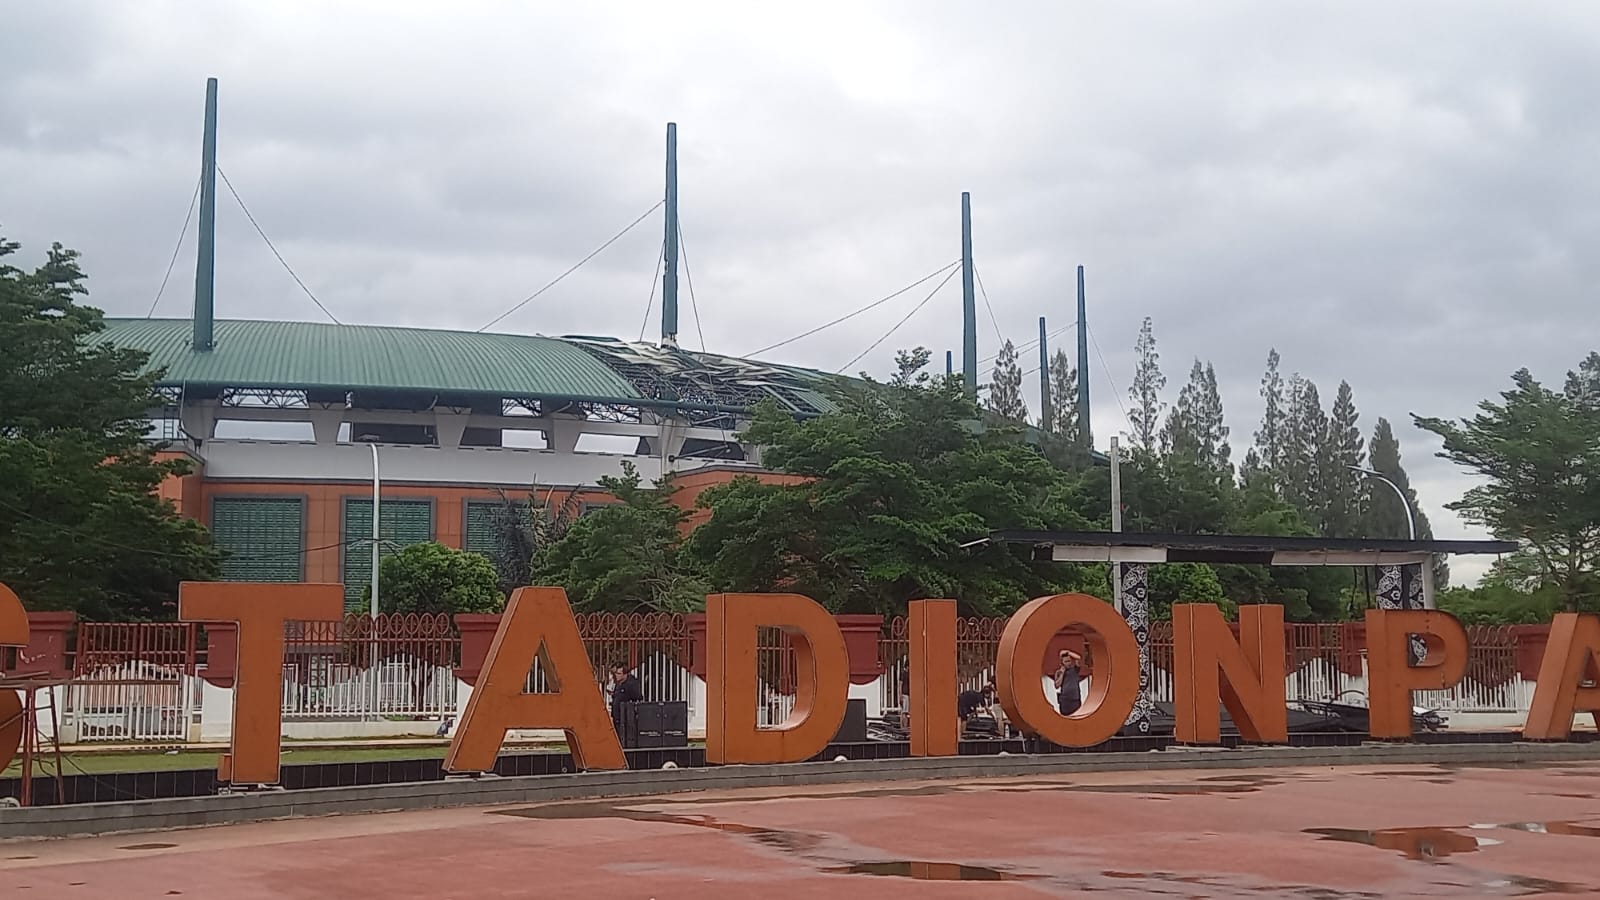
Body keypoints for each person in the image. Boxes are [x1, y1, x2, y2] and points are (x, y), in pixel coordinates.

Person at [609, 664, 643, 744]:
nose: (616, 676)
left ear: (625, 674)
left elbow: (638, 697)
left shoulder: (631, 684)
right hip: (617, 717)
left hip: (626, 719)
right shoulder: (618, 684)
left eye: (619, 673)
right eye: (616, 673)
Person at [1054, 649, 1085, 716]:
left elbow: (1079, 658)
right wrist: (1062, 673)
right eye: (1066, 661)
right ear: (1062, 663)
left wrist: (1068, 652)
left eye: (1069, 661)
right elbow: (1057, 685)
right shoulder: (1058, 672)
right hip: (1065, 700)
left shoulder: (1075, 669)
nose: (1068, 663)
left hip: (1075, 699)